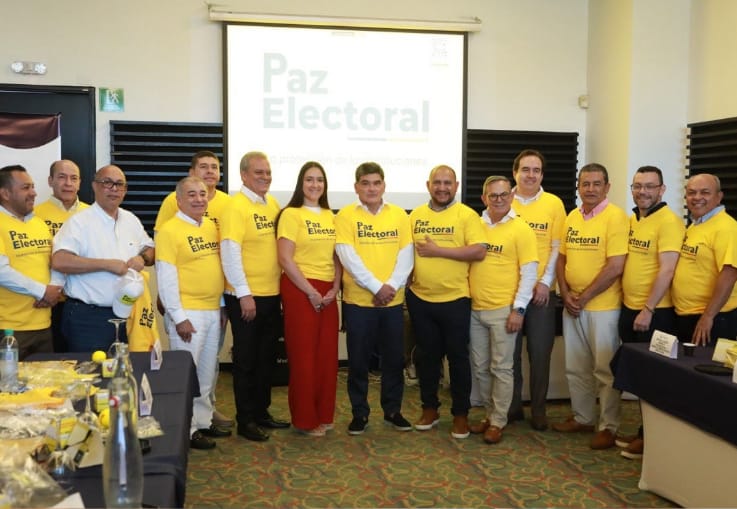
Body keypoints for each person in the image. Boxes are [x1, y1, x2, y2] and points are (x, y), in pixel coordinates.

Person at [154, 150, 233, 429]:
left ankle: (202, 423)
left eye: (202, 195)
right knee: (185, 375)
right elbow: (166, 277)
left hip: (212, 311)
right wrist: (178, 317)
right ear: (178, 200)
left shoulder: (210, 226)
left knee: (206, 375)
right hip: (187, 314)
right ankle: (183, 431)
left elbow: (217, 268)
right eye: (191, 195)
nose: (199, 199)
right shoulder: (169, 231)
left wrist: (221, 305)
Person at [406, 165, 487, 439]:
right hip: (420, 299)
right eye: (437, 182)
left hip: (455, 300)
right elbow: (406, 252)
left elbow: (479, 251)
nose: (442, 187)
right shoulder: (415, 215)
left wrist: (438, 251)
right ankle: (430, 409)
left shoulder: (467, 215)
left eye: (448, 183)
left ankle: (460, 415)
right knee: (427, 358)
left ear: (457, 186)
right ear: (428, 185)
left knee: (458, 359)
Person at [552, 163, 627, 450]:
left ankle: (608, 426)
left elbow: (615, 266)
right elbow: (561, 259)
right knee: (576, 367)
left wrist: (583, 298)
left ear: (607, 187)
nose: (591, 189)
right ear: (578, 187)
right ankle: (582, 417)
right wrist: (566, 293)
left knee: (605, 371)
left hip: (603, 309)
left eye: (597, 184)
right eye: (585, 184)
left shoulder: (616, 217)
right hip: (572, 305)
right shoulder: (572, 217)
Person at [335, 161, 414, 435]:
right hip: (359, 303)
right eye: (365, 183)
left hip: (392, 301)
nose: (371, 188)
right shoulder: (345, 216)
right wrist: (376, 287)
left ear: (384, 186)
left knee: (393, 360)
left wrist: (389, 287)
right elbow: (348, 257)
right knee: (358, 362)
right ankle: (360, 413)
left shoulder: (399, 215)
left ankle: (393, 410)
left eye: (376, 183)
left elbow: (407, 255)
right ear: (356, 187)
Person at [616, 165, 684, 459]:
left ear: (662, 189)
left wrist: (648, 309)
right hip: (630, 309)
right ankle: (644, 433)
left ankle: (652, 440)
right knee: (641, 378)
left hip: (656, 314)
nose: (642, 191)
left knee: (657, 379)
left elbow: (667, 269)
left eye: (649, 186)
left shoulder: (669, 222)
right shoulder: (635, 219)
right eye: (637, 186)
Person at [220, 151, 288, 442]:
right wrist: (244, 294)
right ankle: (245, 420)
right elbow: (230, 252)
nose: (265, 177)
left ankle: (261, 412)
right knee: (246, 360)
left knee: (266, 358)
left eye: (268, 172)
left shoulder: (272, 204)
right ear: (244, 175)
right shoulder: (235, 207)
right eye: (259, 172)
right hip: (246, 296)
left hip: (271, 294)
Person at [52, 165, 154, 352]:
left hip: (128, 313)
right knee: (91, 369)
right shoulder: (79, 222)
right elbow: (60, 260)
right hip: (89, 318)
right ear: (94, 186)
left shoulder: (131, 220)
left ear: (125, 190)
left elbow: (150, 249)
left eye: (119, 184)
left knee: (126, 367)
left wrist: (142, 258)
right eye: (107, 183)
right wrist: (106, 265)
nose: (114, 189)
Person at [468, 176, 538, 444]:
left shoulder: (521, 229)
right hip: (475, 309)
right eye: (493, 195)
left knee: (502, 368)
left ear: (511, 196)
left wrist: (518, 310)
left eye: (503, 195)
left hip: (504, 310)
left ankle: (498, 421)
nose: (498, 200)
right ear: (484, 198)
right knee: (481, 367)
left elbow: (529, 273)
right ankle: (489, 414)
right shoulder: (475, 225)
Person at [276, 161, 341, 437]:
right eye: (310, 179)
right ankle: (305, 419)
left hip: (328, 291)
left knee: (327, 356)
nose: (315, 185)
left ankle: (324, 414)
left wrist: (335, 287)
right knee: (303, 357)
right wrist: (310, 291)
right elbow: (285, 258)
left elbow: (337, 256)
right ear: (300, 183)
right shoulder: (291, 214)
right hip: (300, 288)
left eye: (320, 180)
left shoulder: (331, 216)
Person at [508, 149, 566, 431]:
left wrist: (545, 282)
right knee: (509, 355)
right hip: (509, 292)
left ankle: (539, 410)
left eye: (536, 170)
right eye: (525, 169)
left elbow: (557, 248)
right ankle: (512, 407)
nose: (531, 175)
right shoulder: (504, 200)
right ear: (515, 172)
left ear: (542, 175)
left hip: (542, 293)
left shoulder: (554, 204)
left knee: (540, 353)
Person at [0, 165, 63, 359]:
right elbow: (2, 271)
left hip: (44, 325)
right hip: (8, 330)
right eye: (25, 188)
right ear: (5, 194)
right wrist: (42, 291)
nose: (34, 193)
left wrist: (53, 290)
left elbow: (54, 262)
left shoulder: (39, 224)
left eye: (33, 187)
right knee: (8, 379)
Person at [672, 173, 737, 345]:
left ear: (719, 196)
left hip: (713, 320)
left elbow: (730, 273)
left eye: (705, 192)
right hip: (687, 316)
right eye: (692, 192)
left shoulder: (726, 227)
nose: (697, 197)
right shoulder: (696, 225)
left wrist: (708, 316)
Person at [34, 159, 89, 352]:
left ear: (80, 183)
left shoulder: (91, 214)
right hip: (48, 300)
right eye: (62, 177)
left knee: (83, 357)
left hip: (82, 300)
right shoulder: (34, 214)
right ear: (50, 181)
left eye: (73, 178)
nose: (68, 183)